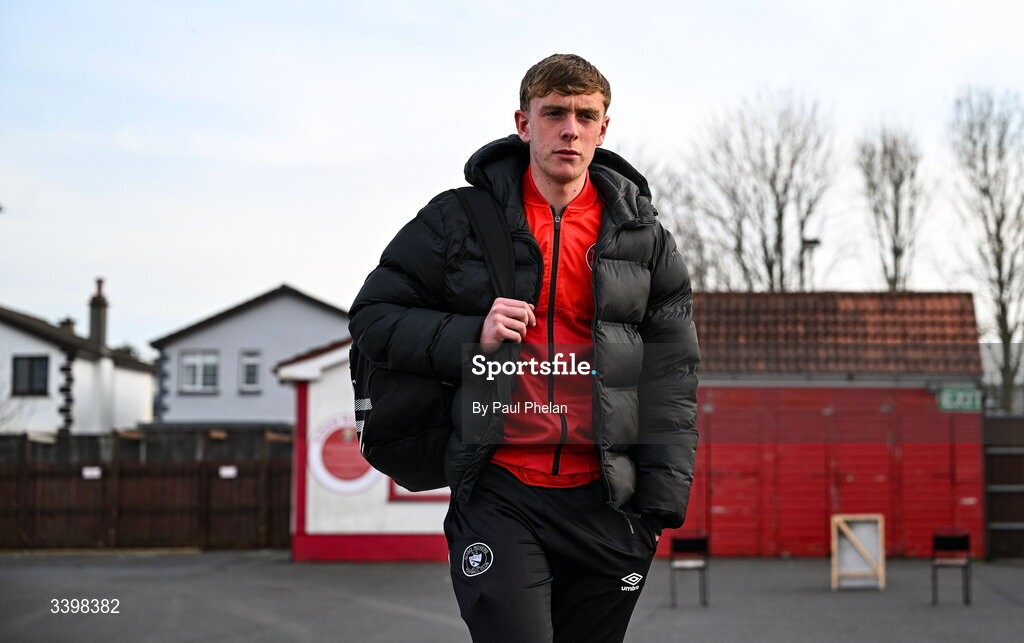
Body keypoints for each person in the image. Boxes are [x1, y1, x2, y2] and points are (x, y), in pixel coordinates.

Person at [349, 53, 700, 643]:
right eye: (554, 112)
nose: (570, 129)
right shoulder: (455, 220)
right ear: (523, 123)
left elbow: (671, 374)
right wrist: (471, 334)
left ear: (603, 128)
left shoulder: (644, 238)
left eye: (586, 116)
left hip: (606, 504)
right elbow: (374, 317)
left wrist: (656, 507)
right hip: (501, 489)